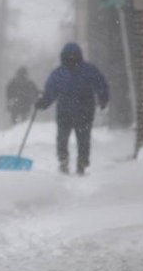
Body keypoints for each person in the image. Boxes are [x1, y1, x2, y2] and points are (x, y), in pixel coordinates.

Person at [35, 42, 109, 175]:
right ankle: (81, 162)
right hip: (84, 111)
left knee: (63, 138)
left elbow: (50, 92)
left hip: (66, 112)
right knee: (83, 139)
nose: (70, 59)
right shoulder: (88, 70)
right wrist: (103, 98)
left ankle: (64, 160)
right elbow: (101, 84)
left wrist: (43, 103)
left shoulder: (59, 73)